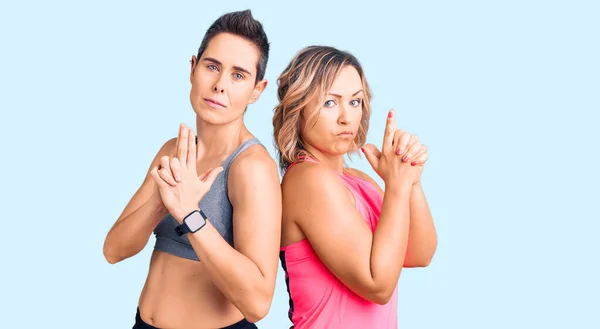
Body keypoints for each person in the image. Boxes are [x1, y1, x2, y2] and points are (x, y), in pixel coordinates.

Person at [103, 10, 282, 329]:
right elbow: (114, 249)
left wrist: (190, 214)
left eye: (238, 75)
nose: (219, 85)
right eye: (212, 66)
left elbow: (257, 303)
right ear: (192, 69)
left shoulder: (251, 168)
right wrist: (162, 201)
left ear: (257, 90)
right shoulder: (173, 150)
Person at [272, 46, 438, 329]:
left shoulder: (359, 180)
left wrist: (410, 181)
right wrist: (396, 187)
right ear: (297, 108)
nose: (346, 118)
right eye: (329, 102)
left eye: (355, 101)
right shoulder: (306, 179)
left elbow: (417, 253)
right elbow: (378, 285)